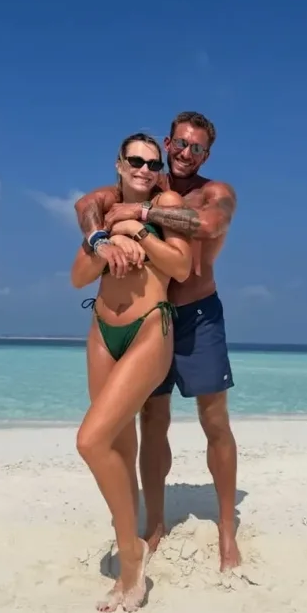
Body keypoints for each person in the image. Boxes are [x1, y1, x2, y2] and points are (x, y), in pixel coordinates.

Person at [74, 111, 240, 570]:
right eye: (180, 144)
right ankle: (155, 523)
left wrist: (140, 215)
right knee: (153, 419)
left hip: (199, 315)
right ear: (168, 144)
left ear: (207, 154)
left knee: (214, 419)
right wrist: (100, 238)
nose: (187, 153)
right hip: (154, 316)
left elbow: (207, 226)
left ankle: (227, 527)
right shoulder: (145, 178)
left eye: (197, 148)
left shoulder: (215, 192)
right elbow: (88, 203)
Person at [71, 133, 192, 612]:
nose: (144, 169)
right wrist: (104, 244)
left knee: (90, 440)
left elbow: (181, 267)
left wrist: (139, 234)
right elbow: (77, 278)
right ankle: (131, 540)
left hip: (148, 329)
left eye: (152, 163)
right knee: (116, 447)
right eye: (136, 161)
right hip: (102, 333)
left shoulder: (166, 205)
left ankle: (130, 555)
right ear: (119, 164)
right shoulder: (103, 212)